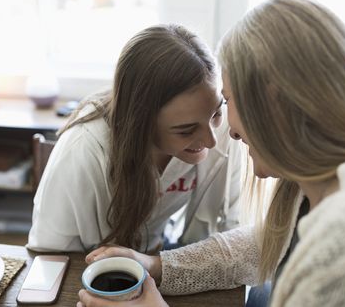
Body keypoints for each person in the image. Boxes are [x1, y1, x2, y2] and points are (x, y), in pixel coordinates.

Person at [77, 0, 345, 307]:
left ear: (276, 108)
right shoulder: (328, 181)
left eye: (229, 102)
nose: (230, 132)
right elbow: (264, 243)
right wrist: (156, 265)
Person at [27, 24, 243, 254]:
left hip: (162, 254)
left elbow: (235, 225)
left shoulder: (222, 127)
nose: (211, 141)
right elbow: (49, 258)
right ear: (141, 123)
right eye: (186, 130)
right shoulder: (81, 152)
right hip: (90, 267)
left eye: (216, 114)